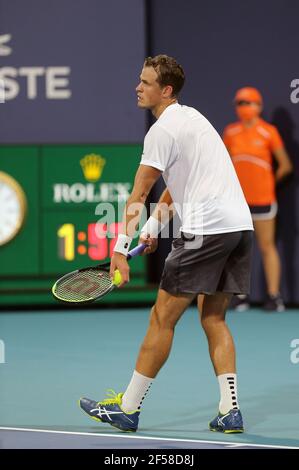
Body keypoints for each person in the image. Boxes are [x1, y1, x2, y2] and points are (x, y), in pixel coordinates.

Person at [79, 55, 254, 433]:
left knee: (162, 318)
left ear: (166, 90)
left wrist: (119, 251)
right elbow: (179, 185)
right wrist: (154, 228)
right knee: (213, 317)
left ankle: (128, 408)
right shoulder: (195, 120)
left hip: (205, 230)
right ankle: (230, 410)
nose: (137, 88)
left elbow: (138, 194)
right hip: (239, 228)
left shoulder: (161, 131)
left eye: (145, 82)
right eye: (139, 81)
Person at [223, 88, 293, 312]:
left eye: (249, 102)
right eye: (240, 103)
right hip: (238, 201)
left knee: (266, 247)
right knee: (239, 249)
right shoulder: (231, 132)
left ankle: (274, 296)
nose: (244, 107)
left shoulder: (268, 132)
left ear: (259, 106)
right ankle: (240, 296)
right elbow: (222, 164)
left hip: (263, 199)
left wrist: (268, 181)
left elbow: (286, 165)